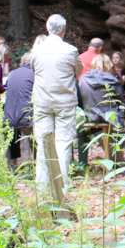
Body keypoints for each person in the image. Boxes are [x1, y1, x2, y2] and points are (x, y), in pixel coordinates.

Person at [31, 14, 82, 193]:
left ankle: (42, 188)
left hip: (42, 102)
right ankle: (60, 189)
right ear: (64, 30)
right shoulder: (71, 50)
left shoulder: (36, 50)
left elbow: (34, 69)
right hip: (65, 103)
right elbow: (79, 70)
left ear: (47, 28)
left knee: (43, 143)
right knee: (63, 143)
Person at [5, 52, 34, 164]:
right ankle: (35, 162)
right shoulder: (34, 74)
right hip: (27, 116)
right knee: (34, 137)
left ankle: (13, 163)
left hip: (9, 115)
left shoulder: (12, 73)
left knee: (13, 132)